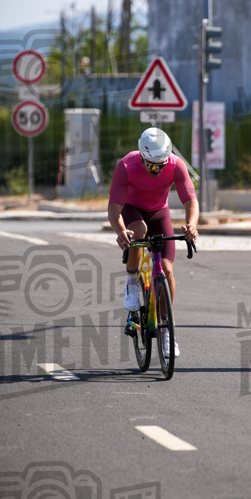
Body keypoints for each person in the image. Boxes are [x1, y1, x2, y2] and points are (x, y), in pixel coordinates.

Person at [108, 128, 199, 358]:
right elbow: (114, 208)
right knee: (138, 230)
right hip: (132, 210)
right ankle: (131, 282)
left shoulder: (176, 165)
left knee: (167, 270)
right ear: (142, 156)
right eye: (151, 164)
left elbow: (191, 201)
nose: (157, 169)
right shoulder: (126, 165)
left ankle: (167, 331)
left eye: (161, 164)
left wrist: (192, 225)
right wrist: (121, 231)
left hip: (159, 212)